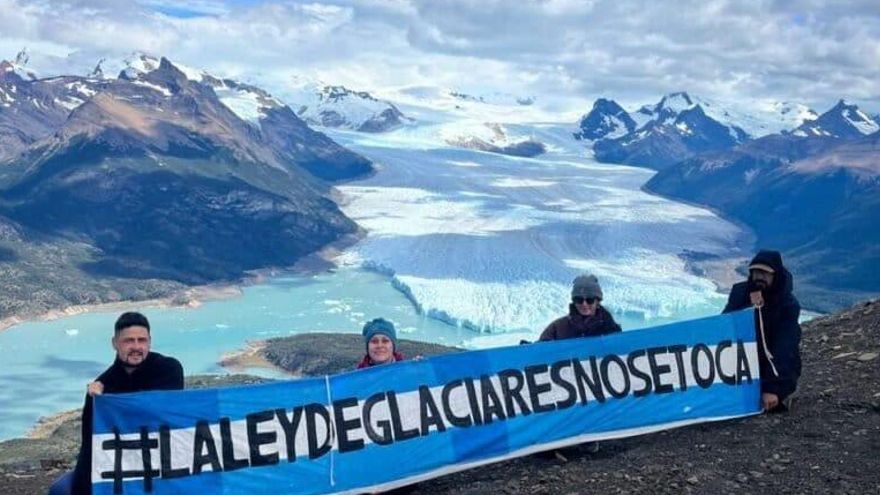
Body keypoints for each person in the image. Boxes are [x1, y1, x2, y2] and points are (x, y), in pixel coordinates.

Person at [49, 312, 184, 495]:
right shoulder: (101, 387)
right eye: (128, 341)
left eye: (142, 340)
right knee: (60, 489)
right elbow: (90, 446)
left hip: (163, 462)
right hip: (120, 466)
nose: (136, 347)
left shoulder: (169, 369)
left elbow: (163, 412)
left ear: (149, 342)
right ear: (114, 343)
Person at [723, 250, 801, 412]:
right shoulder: (740, 293)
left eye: (765, 273)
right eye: (756, 272)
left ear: (776, 275)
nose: (759, 277)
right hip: (742, 362)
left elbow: (784, 349)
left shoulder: (788, 305)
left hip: (771, 366)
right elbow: (724, 326)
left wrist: (772, 388)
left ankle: (776, 393)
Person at [540, 273, 621, 341]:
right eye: (579, 299)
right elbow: (538, 351)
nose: (584, 304)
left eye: (590, 300)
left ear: (597, 301)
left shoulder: (611, 329)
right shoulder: (557, 328)